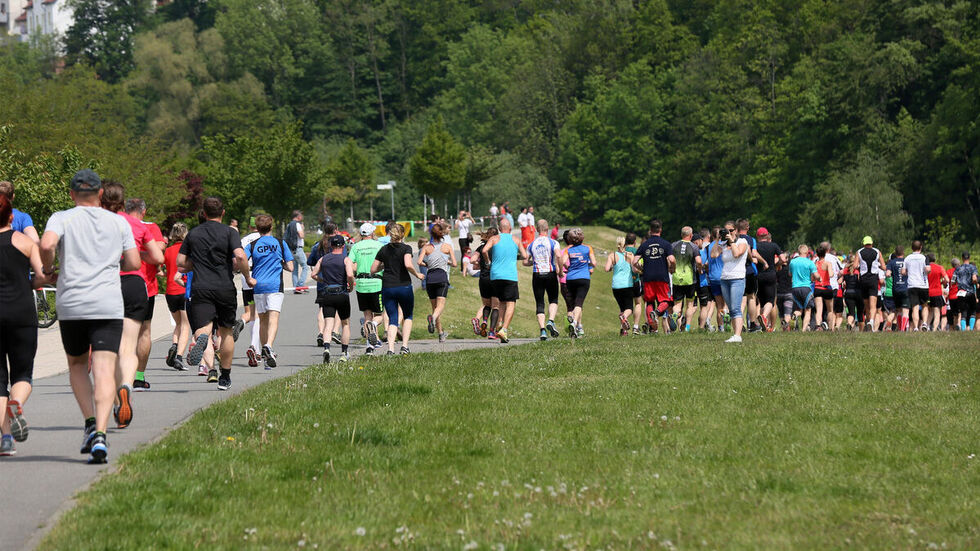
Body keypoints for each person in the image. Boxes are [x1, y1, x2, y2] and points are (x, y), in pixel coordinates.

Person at [40, 169, 140, 463]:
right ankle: (101, 433)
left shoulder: (61, 218)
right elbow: (133, 262)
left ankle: (87, 423)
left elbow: (46, 244)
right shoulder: (117, 222)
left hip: (72, 303)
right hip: (107, 303)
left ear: (71, 194)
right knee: (105, 368)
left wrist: (48, 269)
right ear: (99, 194)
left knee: (78, 364)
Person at [101, 183, 164, 425]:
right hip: (134, 285)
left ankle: (116, 402)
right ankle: (128, 385)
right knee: (128, 347)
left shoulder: (97, 223)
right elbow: (157, 257)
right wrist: (141, 255)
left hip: (106, 285)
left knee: (110, 349)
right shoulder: (136, 224)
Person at [178, 197, 252, 390]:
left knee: (203, 328)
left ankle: (203, 339)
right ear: (223, 213)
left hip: (201, 288)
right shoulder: (230, 232)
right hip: (224, 287)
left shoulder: (193, 234)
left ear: (203, 213)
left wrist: (198, 263)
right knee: (226, 332)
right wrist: (247, 276)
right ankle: (225, 376)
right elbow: (240, 256)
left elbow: (180, 262)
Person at [0, 195, 50, 457]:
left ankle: (6, 438)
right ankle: (16, 402)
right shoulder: (24, 242)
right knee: (22, 373)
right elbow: (41, 278)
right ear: (11, 217)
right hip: (21, 313)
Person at [126, 198, 166, 391]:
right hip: (145, 286)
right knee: (144, 331)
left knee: (118, 331)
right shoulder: (150, 227)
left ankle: (120, 377)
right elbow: (160, 251)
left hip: (117, 282)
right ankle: (139, 378)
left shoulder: (117, 223)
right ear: (144, 211)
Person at [246, 214, 294, 368]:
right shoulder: (280, 243)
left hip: (258, 286)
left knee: (262, 319)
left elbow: (240, 261)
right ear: (271, 227)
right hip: (275, 285)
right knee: (274, 318)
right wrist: (281, 263)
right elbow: (291, 267)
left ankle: (265, 354)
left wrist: (248, 274)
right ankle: (269, 346)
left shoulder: (253, 245)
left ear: (257, 228)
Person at [371, 222, 423, 354]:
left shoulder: (383, 249)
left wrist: (385, 266)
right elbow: (408, 264)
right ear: (402, 234)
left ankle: (390, 349)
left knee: (392, 318)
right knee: (408, 316)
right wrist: (417, 274)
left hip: (387, 286)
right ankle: (404, 346)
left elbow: (373, 269)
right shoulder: (406, 248)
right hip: (403, 286)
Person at [482, 218, 527, 343]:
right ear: (510, 228)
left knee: (501, 302)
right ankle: (504, 329)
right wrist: (514, 255)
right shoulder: (516, 240)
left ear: (500, 228)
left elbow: (484, 250)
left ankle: (499, 324)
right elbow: (525, 256)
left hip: (495, 275)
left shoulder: (494, 239)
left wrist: (488, 261)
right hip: (510, 275)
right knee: (511, 303)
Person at [312, 235, 355, 362]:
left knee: (328, 324)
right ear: (343, 246)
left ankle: (326, 348)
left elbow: (313, 274)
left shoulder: (323, 259)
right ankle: (344, 352)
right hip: (341, 293)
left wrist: (322, 280)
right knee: (345, 323)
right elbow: (350, 274)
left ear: (331, 246)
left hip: (327, 293)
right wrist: (350, 286)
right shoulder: (346, 259)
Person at [633, 220, 676, 334]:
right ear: (660, 230)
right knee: (667, 300)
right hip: (662, 277)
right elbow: (672, 259)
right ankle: (657, 313)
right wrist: (673, 268)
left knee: (649, 301)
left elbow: (634, 261)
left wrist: (641, 269)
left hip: (648, 277)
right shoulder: (666, 244)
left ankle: (653, 328)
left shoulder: (644, 245)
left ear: (650, 230)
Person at [349, 223, 385, 354]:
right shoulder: (379, 245)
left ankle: (369, 347)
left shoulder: (356, 247)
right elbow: (384, 263)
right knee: (379, 315)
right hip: (376, 282)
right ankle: (374, 326)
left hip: (361, 283)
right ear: (372, 233)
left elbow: (351, 265)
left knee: (367, 315)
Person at [710, 221, 748, 342]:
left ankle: (738, 335)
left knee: (736, 308)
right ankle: (735, 334)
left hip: (737, 278)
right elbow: (713, 255)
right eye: (726, 231)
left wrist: (731, 241)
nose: (729, 233)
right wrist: (717, 239)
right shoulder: (723, 244)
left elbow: (736, 254)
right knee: (731, 309)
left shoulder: (742, 242)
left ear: (736, 231)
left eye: (731, 231)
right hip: (725, 279)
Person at [419, 223, 457, 342]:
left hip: (430, 278)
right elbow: (455, 264)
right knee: (440, 306)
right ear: (442, 234)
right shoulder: (447, 247)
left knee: (434, 307)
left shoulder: (426, 247)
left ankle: (440, 333)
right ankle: (433, 318)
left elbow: (419, 262)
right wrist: (447, 262)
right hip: (441, 277)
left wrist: (428, 264)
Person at [526, 219, 563, 340]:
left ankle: (542, 330)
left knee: (539, 302)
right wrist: (561, 271)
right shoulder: (553, 242)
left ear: (537, 230)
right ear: (548, 229)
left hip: (537, 274)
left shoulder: (532, 244)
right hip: (550, 273)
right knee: (553, 299)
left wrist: (533, 262)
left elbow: (525, 261)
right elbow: (558, 255)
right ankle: (551, 321)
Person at [162, 223, 190, 371]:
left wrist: (165, 274)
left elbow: (162, 270)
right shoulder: (187, 250)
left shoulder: (167, 251)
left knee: (178, 324)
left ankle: (174, 345)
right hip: (184, 289)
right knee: (186, 325)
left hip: (170, 292)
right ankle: (179, 356)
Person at [561, 228, 596, 338]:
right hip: (584, 278)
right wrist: (587, 265)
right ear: (582, 238)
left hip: (570, 278)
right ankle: (575, 323)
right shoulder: (588, 248)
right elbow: (594, 263)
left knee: (572, 304)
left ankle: (575, 327)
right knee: (579, 303)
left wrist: (568, 267)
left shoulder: (568, 250)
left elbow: (562, 261)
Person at [671, 226, 702, 332]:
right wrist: (700, 269)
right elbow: (698, 261)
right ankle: (687, 328)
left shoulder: (674, 245)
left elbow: (669, 259)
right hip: (690, 279)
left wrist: (671, 269)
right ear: (691, 235)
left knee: (677, 304)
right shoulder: (694, 246)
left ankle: (675, 315)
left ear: (681, 235)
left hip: (676, 278)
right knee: (690, 304)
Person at [240, 222, 262, 366]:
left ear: (250, 227)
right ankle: (256, 347)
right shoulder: (263, 238)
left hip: (245, 277)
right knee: (259, 314)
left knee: (250, 312)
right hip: (258, 276)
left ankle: (241, 322)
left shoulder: (243, 240)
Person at [855, 236, 886, 331]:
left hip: (863, 280)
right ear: (872, 243)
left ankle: (868, 322)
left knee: (866, 304)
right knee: (873, 305)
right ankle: (871, 322)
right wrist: (878, 265)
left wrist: (861, 267)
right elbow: (884, 267)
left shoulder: (859, 252)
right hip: (873, 279)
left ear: (863, 243)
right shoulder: (877, 252)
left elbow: (855, 265)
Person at [754, 228, 783, 331]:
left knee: (762, 302)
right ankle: (764, 317)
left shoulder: (755, 246)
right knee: (770, 301)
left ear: (757, 236)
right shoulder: (773, 245)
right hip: (771, 275)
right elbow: (783, 259)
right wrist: (776, 265)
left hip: (759, 276)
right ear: (767, 236)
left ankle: (763, 325)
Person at [606, 236, 635, 336]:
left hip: (616, 286)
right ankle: (624, 318)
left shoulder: (612, 255)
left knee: (622, 308)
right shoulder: (630, 255)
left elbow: (606, 268)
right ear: (625, 244)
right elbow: (634, 269)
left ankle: (623, 331)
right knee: (629, 308)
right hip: (627, 284)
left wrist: (611, 267)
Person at [471, 228, 498, 337]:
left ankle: (484, 321)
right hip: (495, 278)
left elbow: (472, 260)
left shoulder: (481, 247)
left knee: (486, 304)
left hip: (483, 278)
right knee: (496, 306)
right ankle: (492, 332)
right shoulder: (497, 247)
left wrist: (480, 264)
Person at [788, 245, 819, 331]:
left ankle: (795, 315)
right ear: (807, 252)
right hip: (806, 288)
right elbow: (816, 276)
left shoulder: (792, 262)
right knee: (808, 310)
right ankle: (804, 330)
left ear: (799, 251)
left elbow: (790, 274)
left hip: (795, 288)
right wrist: (819, 278)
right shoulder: (809, 262)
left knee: (799, 309)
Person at [903, 240, 930, 331]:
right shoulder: (924, 257)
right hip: (923, 285)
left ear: (912, 248)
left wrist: (909, 272)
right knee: (925, 305)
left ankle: (915, 327)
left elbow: (903, 272)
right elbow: (928, 270)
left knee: (915, 306)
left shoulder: (907, 258)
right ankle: (925, 323)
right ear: (921, 247)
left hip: (911, 285)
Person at [885, 246, 910, 331]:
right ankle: (902, 329)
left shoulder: (891, 262)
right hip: (905, 288)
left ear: (895, 253)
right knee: (905, 310)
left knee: (898, 310)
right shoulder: (907, 261)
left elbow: (888, 274)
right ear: (903, 253)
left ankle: (899, 328)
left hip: (895, 289)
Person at [952, 252, 978, 330]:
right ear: (969, 258)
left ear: (962, 258)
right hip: (970, 292)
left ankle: (963, 330)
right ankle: (971, 329)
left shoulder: (957, 269)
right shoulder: (973, 267)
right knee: (973, 312)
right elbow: (974, 278)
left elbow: (952, 281)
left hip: (961, 293)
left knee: (963, 313)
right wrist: (975, 283)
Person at [284, 210, 309, 293]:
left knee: (294, 269)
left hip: (291, 249)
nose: (302, 217)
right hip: (298, 248)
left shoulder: (289, 225)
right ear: (298, 216)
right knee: (305, 267)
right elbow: (301, 236)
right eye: (301, 215)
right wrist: (302, 229)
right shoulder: (297, 224)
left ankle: (296, 288)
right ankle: (300, 285)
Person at [925, 253, 948, 331]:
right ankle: (934, 329)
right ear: (934, 259)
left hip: (927, 293)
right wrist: (942, 282)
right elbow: (947, 279)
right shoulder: (939, 268)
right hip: (937, 292)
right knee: (937, 312)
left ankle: (926, 326)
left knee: (930, 311)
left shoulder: (925, 268)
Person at [841, 256, 864, 330]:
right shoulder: (858, 271)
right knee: (860, 313)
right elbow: (861, 282)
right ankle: (861, 331)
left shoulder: (845, 271)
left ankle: (849, 323)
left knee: (851, 313)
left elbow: (842, 282)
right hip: (858, 293)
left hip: (848, 293)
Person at [946, 258, 961, 330]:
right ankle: (959, 324)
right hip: (960, 295)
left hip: (951, 296)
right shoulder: (961, 271)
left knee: (954, 314)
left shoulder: (948, 272)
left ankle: (955, 328)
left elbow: (945, 282)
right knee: (961, 311)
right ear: (959, 264)